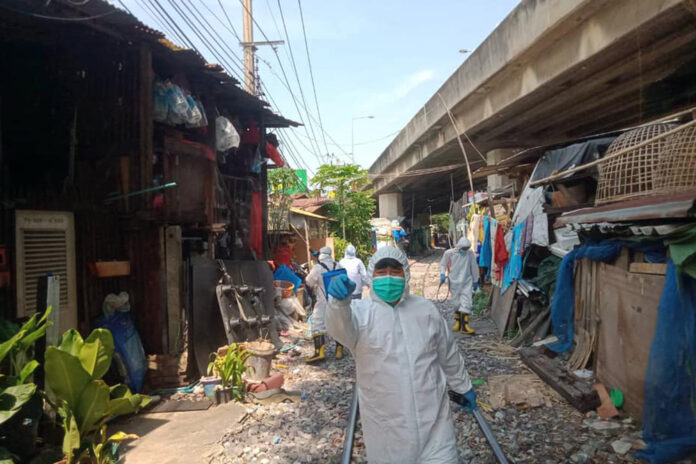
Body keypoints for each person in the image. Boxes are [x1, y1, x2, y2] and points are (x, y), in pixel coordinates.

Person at [326, 246, 477, 463]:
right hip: (387, 432)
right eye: (381, 271)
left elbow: (448, 353)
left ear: (405, 273)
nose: (388, 276)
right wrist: (339, 304)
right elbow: (338, 329)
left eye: (395, 271)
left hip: (435, 427)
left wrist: (464, 386)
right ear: (371, 274)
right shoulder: (359, 314)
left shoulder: (425, 310)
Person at [305, 246, 344, 362]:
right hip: (338, 300)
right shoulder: (338, 265)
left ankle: (319, 352)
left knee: (317, 324)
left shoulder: (318, 267)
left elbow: (308, 281)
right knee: (338, 324)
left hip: (323, 301)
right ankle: (339, 351)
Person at [440, 237, 479, 334]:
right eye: (464, 248)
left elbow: (473, 266)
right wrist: (442, 274)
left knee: (466, 303)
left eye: (467, 248)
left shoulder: (470, 254)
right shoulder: (450, 253)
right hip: (454, 281)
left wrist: (475, 280)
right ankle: (458, 323)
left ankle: (465, 327)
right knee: (456, 303)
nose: (465, 250)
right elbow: (443, 264)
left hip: (466, 281)